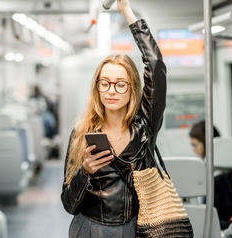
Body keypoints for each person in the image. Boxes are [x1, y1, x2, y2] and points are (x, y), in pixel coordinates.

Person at [60, 0, 167, 236]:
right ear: (97, 87)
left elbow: (156, 64)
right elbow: (68, 204)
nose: (111, 90)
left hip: (135, 227)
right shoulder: (82, 133)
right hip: (88, 228)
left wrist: (126, 10)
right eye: (105, 83)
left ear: (133, 88)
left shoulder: (144, 127)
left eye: (120, 84)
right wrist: (85, 171)